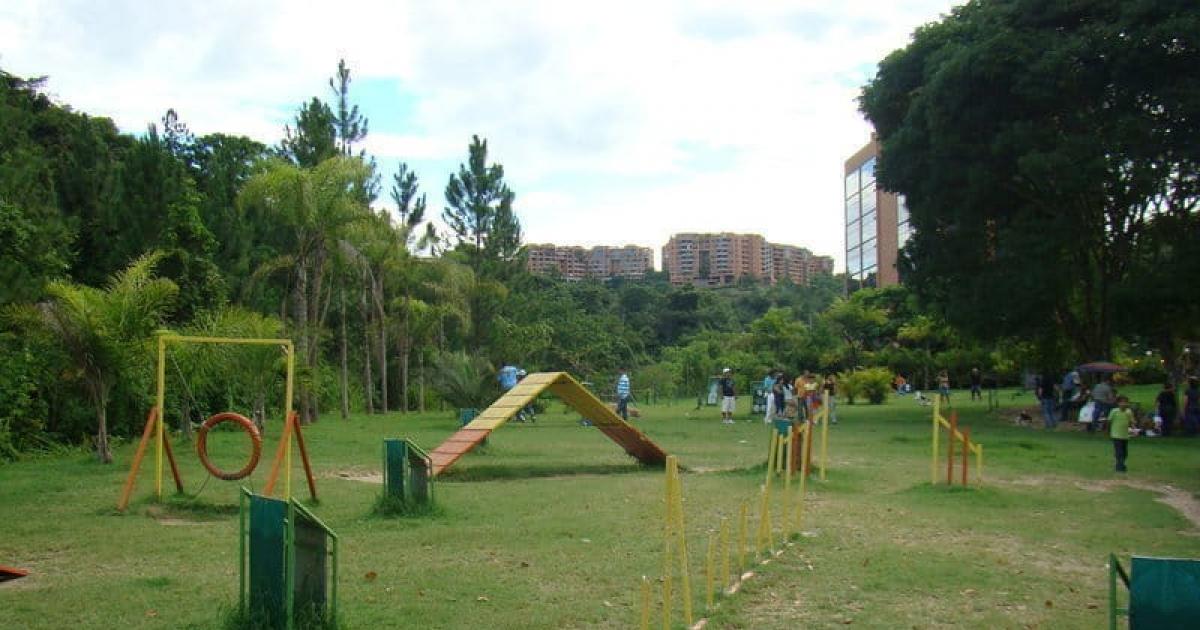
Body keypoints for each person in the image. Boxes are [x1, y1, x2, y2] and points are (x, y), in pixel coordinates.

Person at [1108, 395, 1134, 472]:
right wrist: (1108, 431)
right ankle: (1119, 467)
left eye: (1126, 402)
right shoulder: (1114, 411)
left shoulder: (1129, 412)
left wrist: (1133, 427)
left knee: (1125, 452)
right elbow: (1109, 421)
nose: (1124, 404)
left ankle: (1121, 464)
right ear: (1118, 403)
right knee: (1119, 452)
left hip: (1125, 435)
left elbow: (1131, 421)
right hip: (1116, 435)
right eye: (1122, 402)